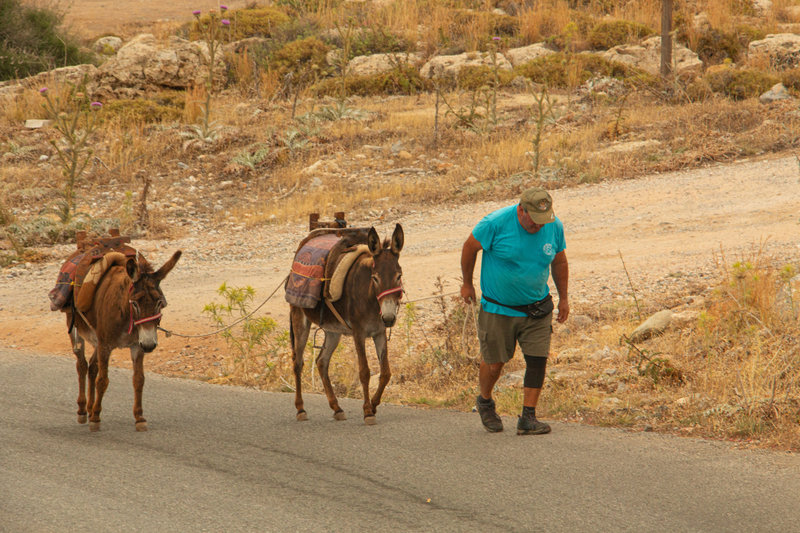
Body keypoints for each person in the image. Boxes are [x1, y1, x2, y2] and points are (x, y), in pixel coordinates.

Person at [460, 187, 569, 435]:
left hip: (537, 308)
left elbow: (559, 261)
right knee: (495, 363)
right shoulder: (494, 223)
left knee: (537, 360)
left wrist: (564, 298)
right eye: (534, 220)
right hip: (499, 309)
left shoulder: (554, 226)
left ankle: (528, 417)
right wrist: (467, 283)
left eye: (544, 220)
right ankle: (485, 401)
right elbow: (469, 247)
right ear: (521, 210)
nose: (539, 226)